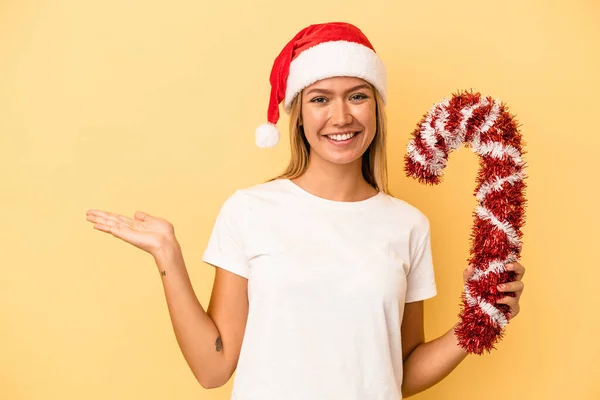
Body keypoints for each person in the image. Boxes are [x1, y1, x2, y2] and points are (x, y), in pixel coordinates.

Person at [85, 22, 525, 400]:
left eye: (357, 96)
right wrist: (169, 258)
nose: (340, 116)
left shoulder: (408, 225)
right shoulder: (250, 210)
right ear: (297, 114)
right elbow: (213, 368)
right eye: (319, 99)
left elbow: (399, 372)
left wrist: (480, 321)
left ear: (376, 107)